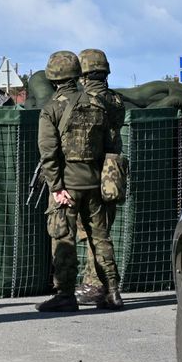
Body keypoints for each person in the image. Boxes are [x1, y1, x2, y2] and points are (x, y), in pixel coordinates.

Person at [33, 50, 123, 313]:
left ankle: (65, 294)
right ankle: (113, 292)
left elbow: (48, 152)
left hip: (67, 185)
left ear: (52, 77)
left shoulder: (51, 108)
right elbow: (109, 144)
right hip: (95, 183)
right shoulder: (98, 104)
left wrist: (57, 187)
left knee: (63, 238)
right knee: (100, 237)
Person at [73, 49, 125, 308]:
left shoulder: (85, 99)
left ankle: (96, 284)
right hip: (113, 171)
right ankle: (99, 284)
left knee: (95, 232)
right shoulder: (115, 100)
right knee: (103, 229)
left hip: (90, 170)